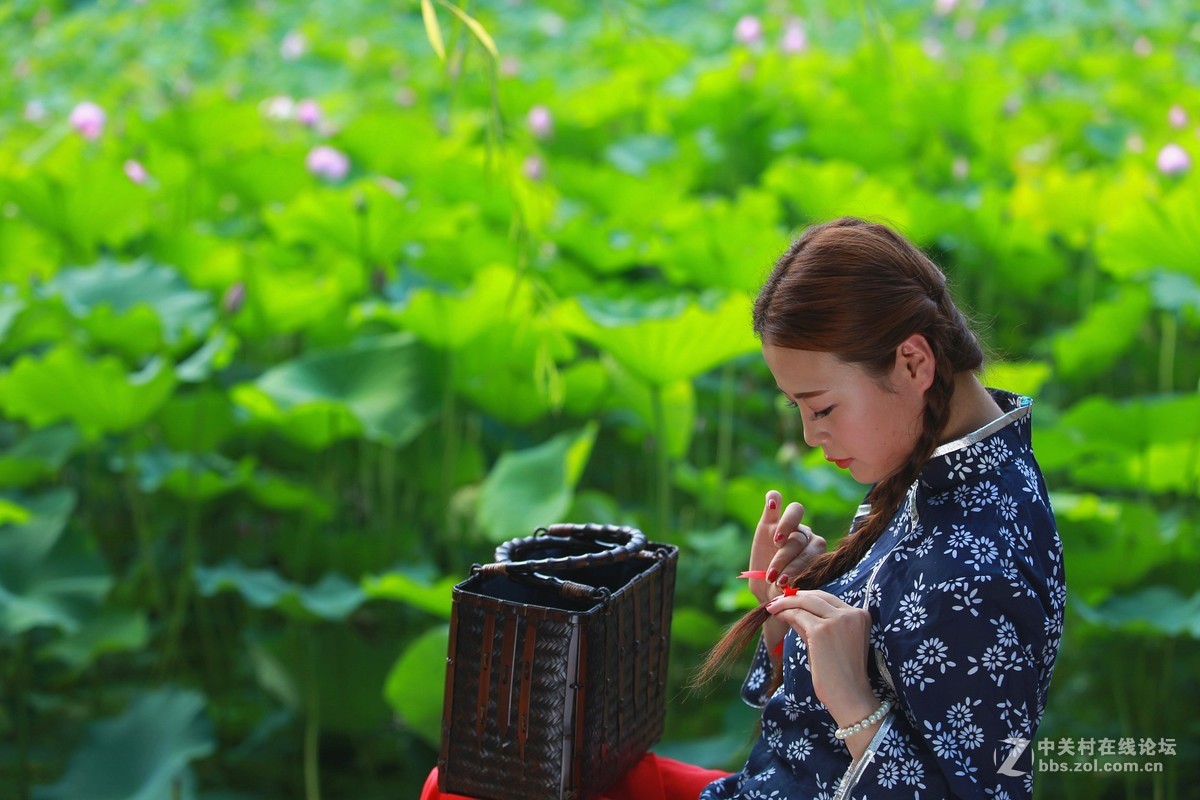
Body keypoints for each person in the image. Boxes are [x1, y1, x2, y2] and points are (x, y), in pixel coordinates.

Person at [692, 216, 1066, 799]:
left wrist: (855, 706)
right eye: (797, 407)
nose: (812, 437)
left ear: (914, 363)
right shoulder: (926, 465)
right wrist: (791, 600)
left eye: (821, 408)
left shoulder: (975, 564)